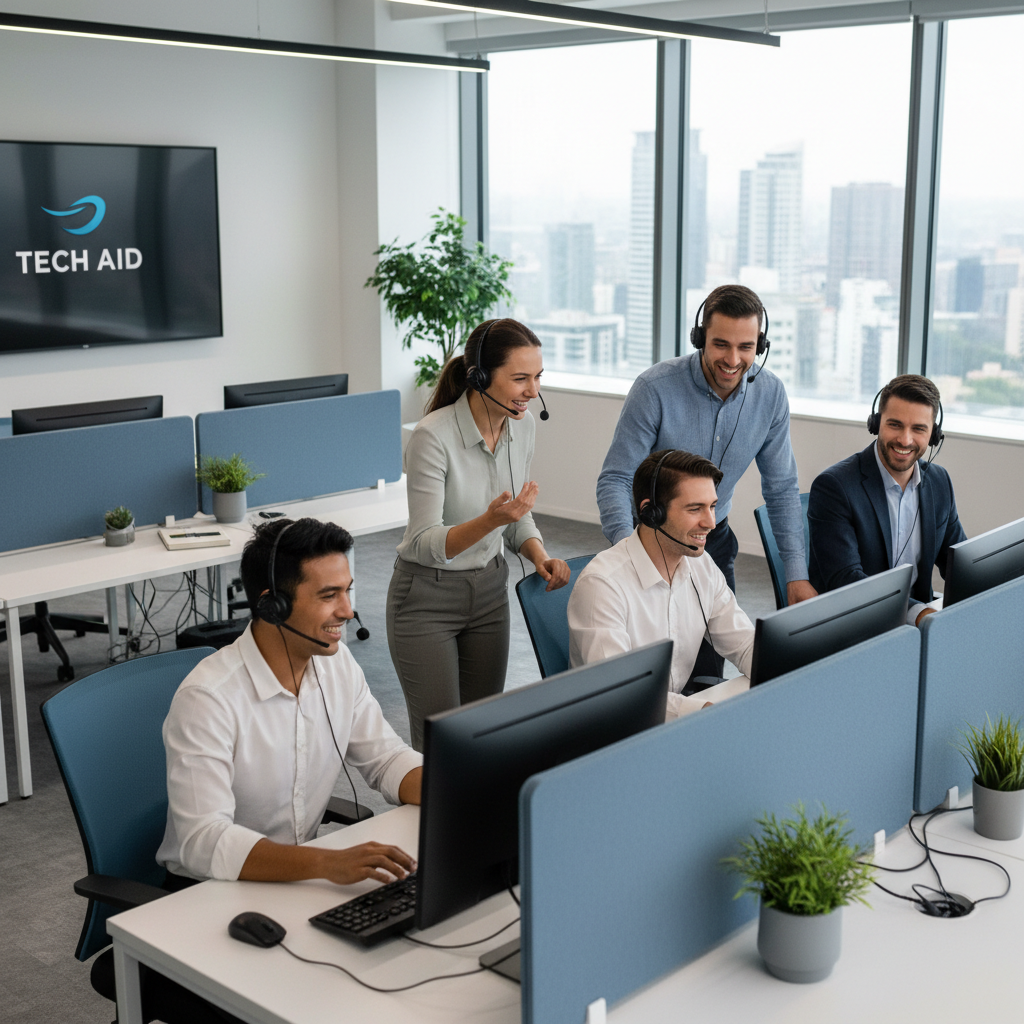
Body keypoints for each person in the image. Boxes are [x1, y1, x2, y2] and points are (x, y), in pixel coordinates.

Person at [90, 518, 422, 1023]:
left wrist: (459, 786)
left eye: (347, 591)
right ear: (272, 604)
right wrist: (324, 865)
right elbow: (203, 840)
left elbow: (384, 758)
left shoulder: (336, 664)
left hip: (294, 891)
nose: (348, 611)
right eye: (329, 595)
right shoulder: (211, 697)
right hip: (209, 899)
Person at [596, 285, 814, 676]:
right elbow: (616, 478)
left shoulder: (770, 395)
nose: (733, 359)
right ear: (700, 339)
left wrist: (795, 576)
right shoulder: (655, 389)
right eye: (720, 344)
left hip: (712, 543)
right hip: (651, 542)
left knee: (709, 672)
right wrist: (627, 551)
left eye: (746, 347)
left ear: (759, 346)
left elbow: (781, 490)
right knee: (645, 672)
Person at [387, 318, 570, 751]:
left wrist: (537, 553)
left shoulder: (522, 426)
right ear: (481, 377)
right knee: (442, 743)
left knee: (483, 734)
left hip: (489, 591)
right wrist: (491, 520)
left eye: (538, 377)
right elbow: (423, 543)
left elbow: (517, 518)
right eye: (520, 378)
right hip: (426, 599)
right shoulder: (433, 437)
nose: (532, 391)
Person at [569, 449, 755, 719]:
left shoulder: (701, 566)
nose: (711, 523)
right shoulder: (603, 586)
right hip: (612, 734)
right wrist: (699, 710)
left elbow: (745, 643)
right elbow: (620, 695)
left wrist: (786, 669)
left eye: (712, 506)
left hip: (667, 721)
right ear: (651, 512)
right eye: (695, 509)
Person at [808, 374, 966, 627]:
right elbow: (846, 580)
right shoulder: (835, 487)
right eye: (895, 425)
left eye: (918, 429)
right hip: (851, 623)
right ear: (876, 423)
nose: (905, 440)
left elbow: (957, 561)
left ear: (934, 434)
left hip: (912, 625)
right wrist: (919, 613)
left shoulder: (938, 482)